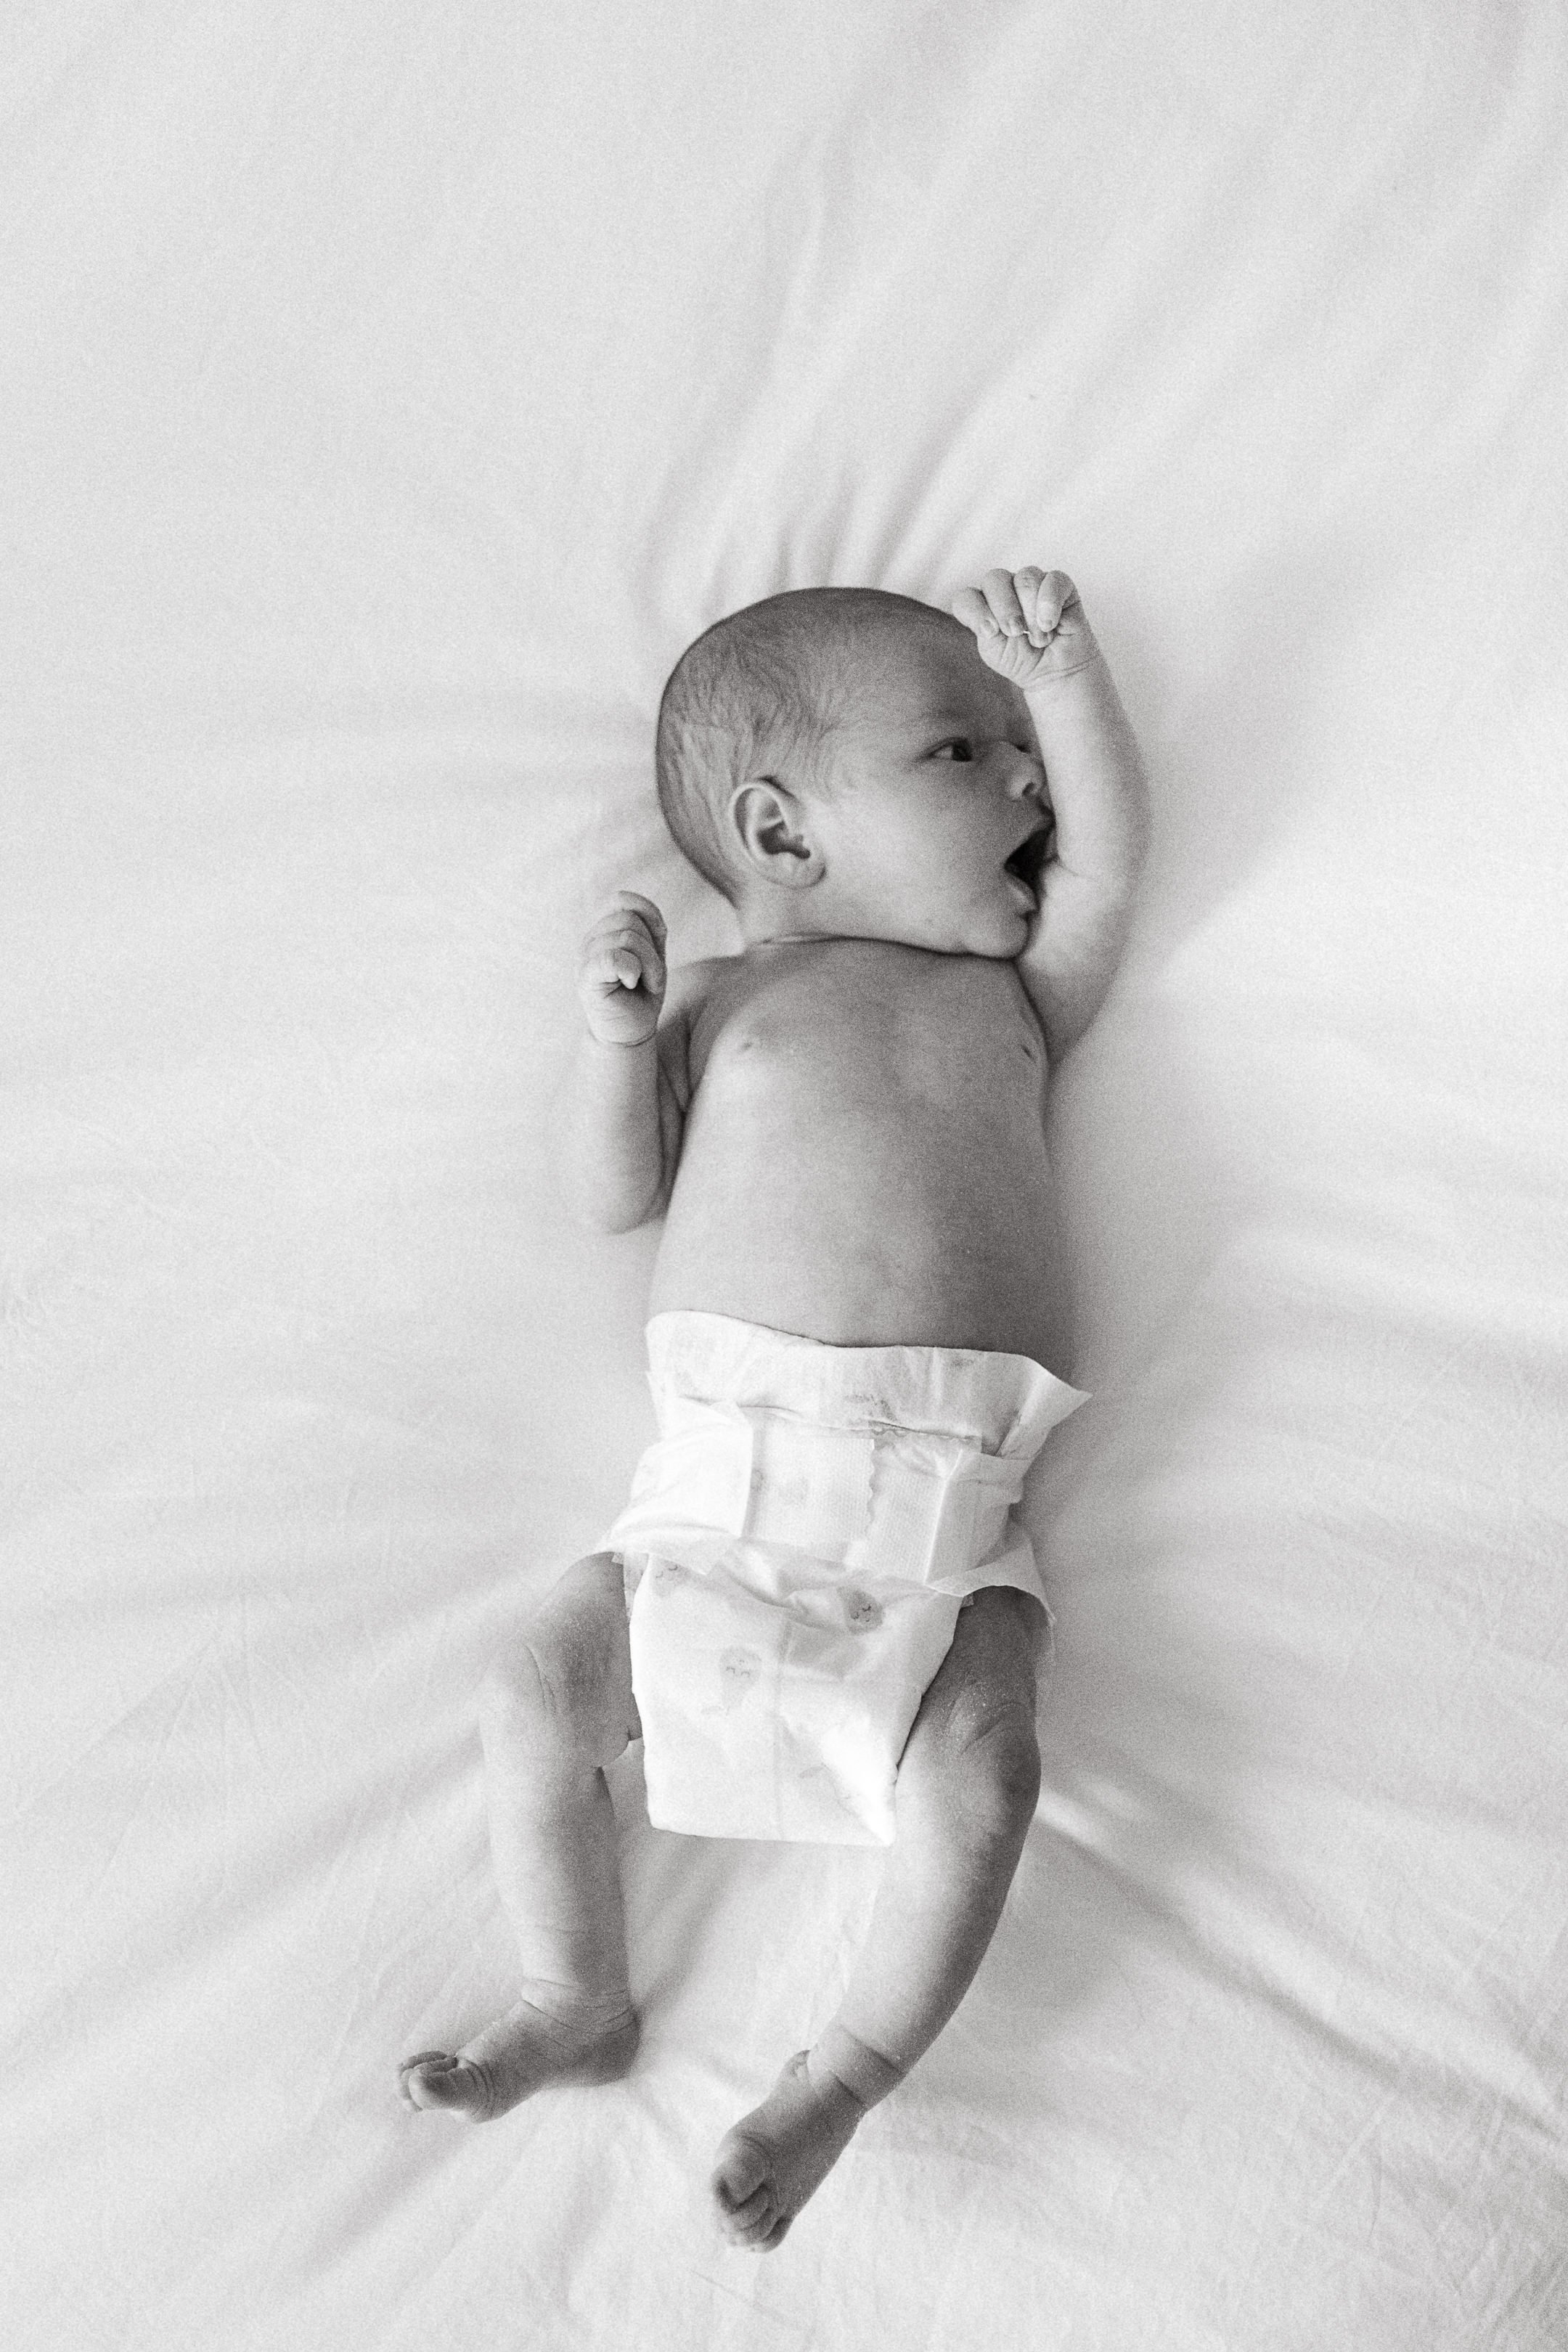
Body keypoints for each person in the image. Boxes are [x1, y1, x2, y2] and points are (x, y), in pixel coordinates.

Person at [399, 566, 1149, 2252]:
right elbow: (616, 1196)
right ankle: (572, 1988)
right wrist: (610, 1045)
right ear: (784, 834)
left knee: (988, 1773)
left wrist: (1071, 688)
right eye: (967, 752)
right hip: (713, 1500)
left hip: (955, 1521)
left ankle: (849, 2068)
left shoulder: (1018, 996)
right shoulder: (723, 1008)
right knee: (536, 1688)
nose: (1029, 786)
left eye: (1027, 757)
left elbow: (1106, 855)